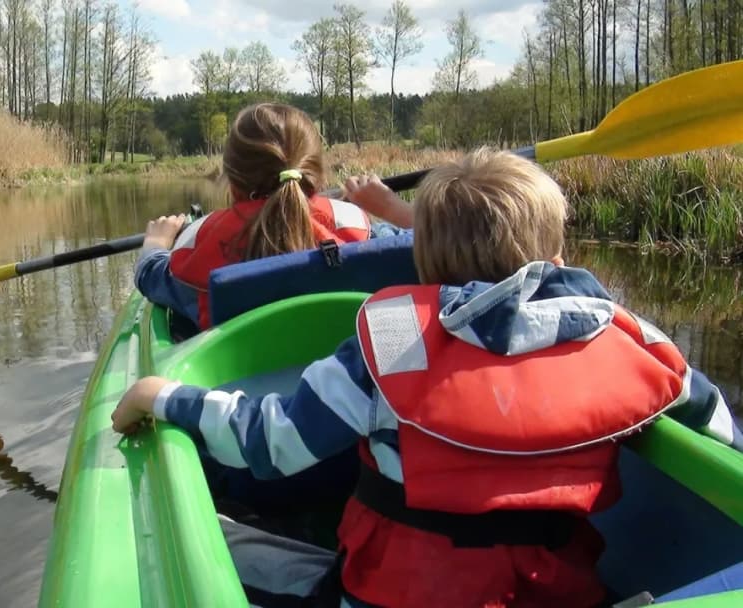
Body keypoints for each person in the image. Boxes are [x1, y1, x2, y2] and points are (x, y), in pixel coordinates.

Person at [112, 148, 743, 608]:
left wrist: (165, 396)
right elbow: (720, 430)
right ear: (557, 256)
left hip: (394, 599)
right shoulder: (633, 338)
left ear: (421, 257)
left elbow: (271, 446)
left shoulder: (392, 338)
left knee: (227, 546)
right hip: (556, 597)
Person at [135, 102, 412, 331]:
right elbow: (435, 242)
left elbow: (150, 277)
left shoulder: (197, 248)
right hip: (345, 380)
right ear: (316, 178)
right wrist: (389, 207)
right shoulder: (363, 234)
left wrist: (155, 245)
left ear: (232, 184)